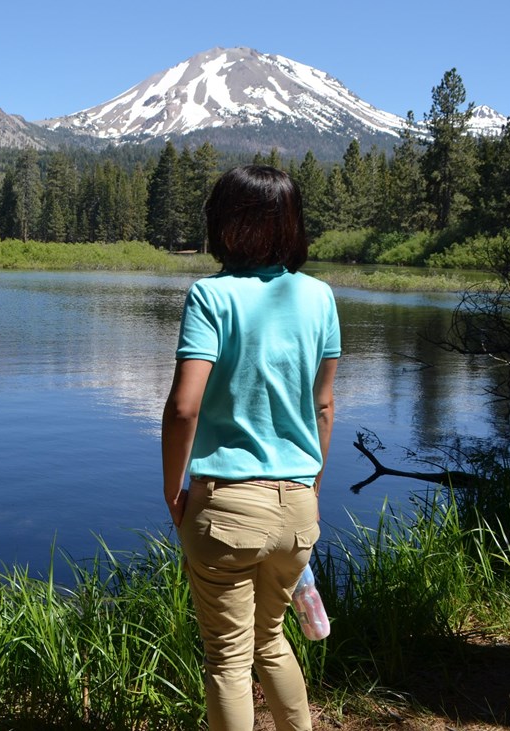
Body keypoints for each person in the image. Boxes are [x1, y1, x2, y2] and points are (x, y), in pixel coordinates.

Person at [161, 164, 339, 731]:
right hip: (298, 508)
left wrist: (173, 490)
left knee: (228, 659)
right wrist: (309, 483)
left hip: (228, 509)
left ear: (224, 225)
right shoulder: (320, 296)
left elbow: (184, 407)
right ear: (292, 225)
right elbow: (325, 406)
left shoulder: (211, 296)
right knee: (270, 639)